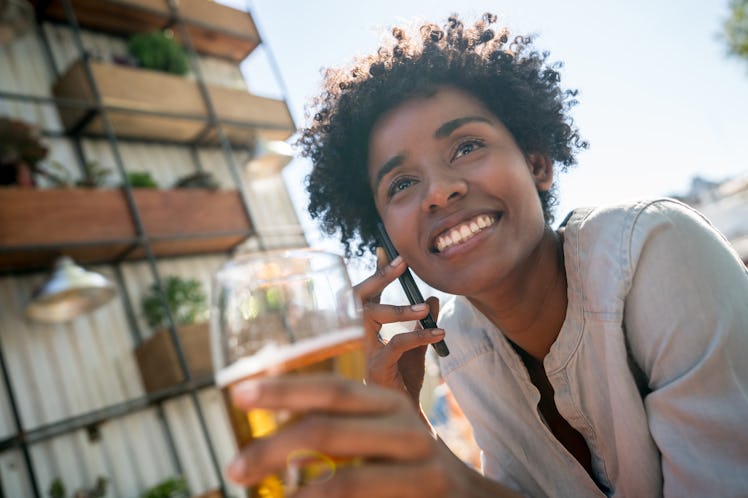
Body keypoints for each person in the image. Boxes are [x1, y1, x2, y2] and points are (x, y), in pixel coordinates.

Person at [226, 13, 748, 497]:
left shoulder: (656, 250)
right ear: (386, 243)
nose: (439, 192)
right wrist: (409, 435)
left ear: (537, 163)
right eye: (403, 182)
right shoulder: (467, 348)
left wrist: (443, 478)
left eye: (467, 147)